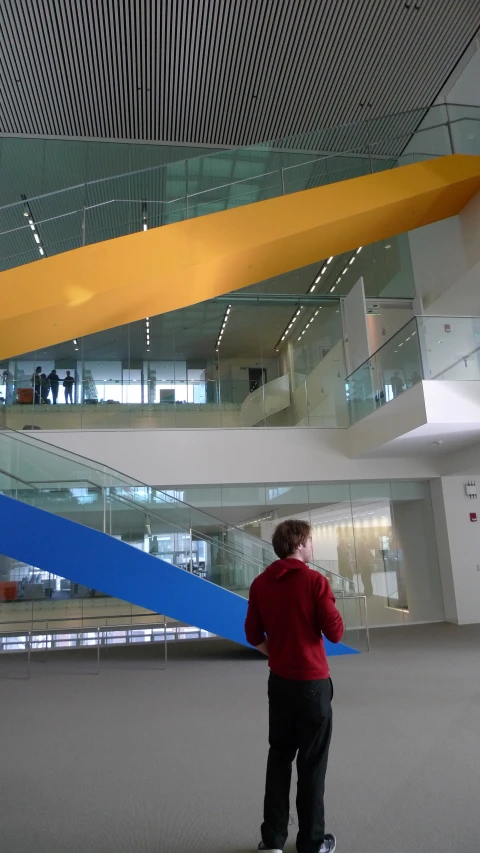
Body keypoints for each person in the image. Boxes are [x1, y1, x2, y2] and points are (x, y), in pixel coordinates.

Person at [245, 519, 344, 853]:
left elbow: (252, 636)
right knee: (312, 765)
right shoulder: (316, 581)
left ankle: (272, 840)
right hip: (313, 684)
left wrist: (281, 652)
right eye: (311, 540)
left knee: (279, 758)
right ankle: (311, 843)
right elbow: (336, 633)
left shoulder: (260, 583)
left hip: (280, 683)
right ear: (300, 543)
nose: (312, 546)